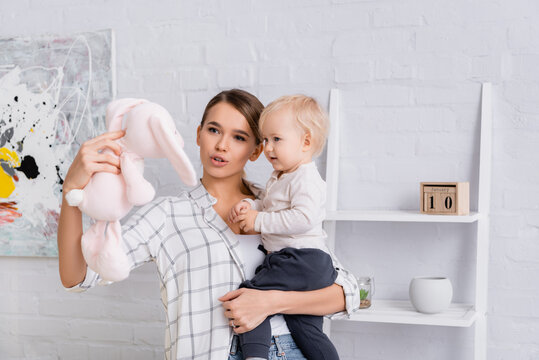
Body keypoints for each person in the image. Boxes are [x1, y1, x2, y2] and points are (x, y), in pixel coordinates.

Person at [57, 89, 360, 360]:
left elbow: (347, 294)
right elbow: (77, 277)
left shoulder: (278, 204)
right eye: (214, 130)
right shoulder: (167, 215)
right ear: (200, 134)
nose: (222, 145)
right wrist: (71, 190)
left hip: (293, 350)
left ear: (257, 149)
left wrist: (269, 302)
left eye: (240, 137)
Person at [228, 95, 340, 360]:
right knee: (304, 325)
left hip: (301, 260)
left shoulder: (305, 178)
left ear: (306, 141)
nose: (268, 148)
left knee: (250, 294)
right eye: (265, 140)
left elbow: (303, 217)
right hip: (301, 262)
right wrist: (250, 205)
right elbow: (271, 206)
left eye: (276, 139)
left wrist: (258, 220)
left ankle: (255, 355)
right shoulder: (281, 176)